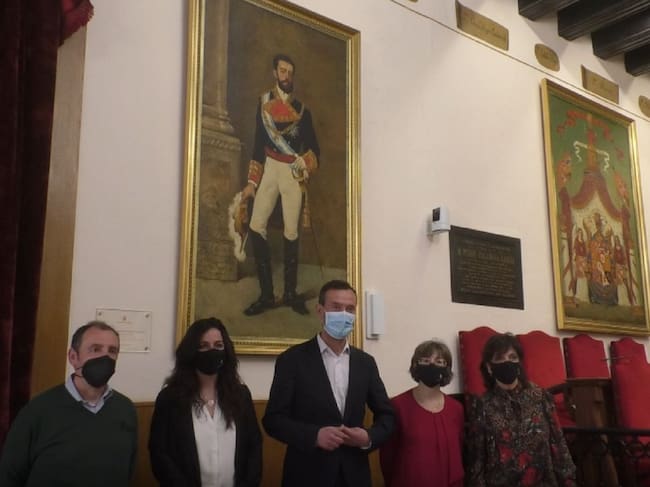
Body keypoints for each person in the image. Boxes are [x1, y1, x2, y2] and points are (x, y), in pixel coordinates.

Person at [262, 279, 395, 487]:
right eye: (336, 307)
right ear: (320, 311)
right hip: (306, 475)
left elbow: (387, 416)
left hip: (354, 476)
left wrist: (368, 437)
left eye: (350, 309)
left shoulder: (365, 363)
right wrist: (313, 436)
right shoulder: (292, 360)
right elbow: (273, 420)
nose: (344, 314)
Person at [0, 320, 137, 487]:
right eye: (95, 349)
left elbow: (127, 470)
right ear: (73, 357)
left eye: (112, 351)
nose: (105, 357)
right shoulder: (37, 411)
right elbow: (10, 475)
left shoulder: (125, 409)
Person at [240, 53, 320, 317]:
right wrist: (252, 182)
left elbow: (314, 150)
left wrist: (304, 163)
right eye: (283, 71)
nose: (287, 76)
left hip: (291, 174)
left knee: (291, 231)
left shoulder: (303, 111)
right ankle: (266, 295)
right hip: (270, 168)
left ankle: (289, 294)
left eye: (290, 72)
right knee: (256, 225)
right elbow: (257, 145)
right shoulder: (263, 104)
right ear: (275, 73)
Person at [149, 317, 262, 487]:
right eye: (203, 346)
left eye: (218, 345)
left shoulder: (241, 395)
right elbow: (159, 453)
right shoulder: (170, 398)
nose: (212, 351)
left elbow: (254, 447)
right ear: (191, 351)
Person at [466, 333, 576, 486]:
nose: (507, 362)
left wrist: (569, 481)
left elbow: (558, 445)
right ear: (489, 367)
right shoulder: (482, 406)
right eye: (500, 358)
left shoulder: (540, 397)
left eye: (512, 357)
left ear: (519, 363)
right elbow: (477, 461)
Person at [379, 340, 464, 487]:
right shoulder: (398, 406)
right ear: (415, 365)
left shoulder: (456, 408)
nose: (432, 365)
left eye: (439, 362)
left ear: (447, 369)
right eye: (425, 360)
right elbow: (387, 456)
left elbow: (460, 450)